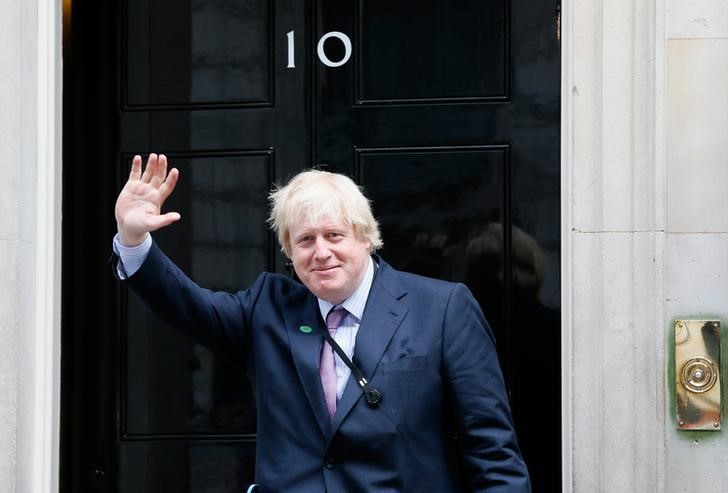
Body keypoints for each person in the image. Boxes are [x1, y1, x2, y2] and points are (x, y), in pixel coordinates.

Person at [111, 153, 530, 492]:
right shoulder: (268, 309)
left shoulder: (442, 309)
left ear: (366, 237)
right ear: (289, 253)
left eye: (334, 235)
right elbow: (188, 305)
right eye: (305, 240)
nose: (321, 252)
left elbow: (491, 450)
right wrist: (133, 240)